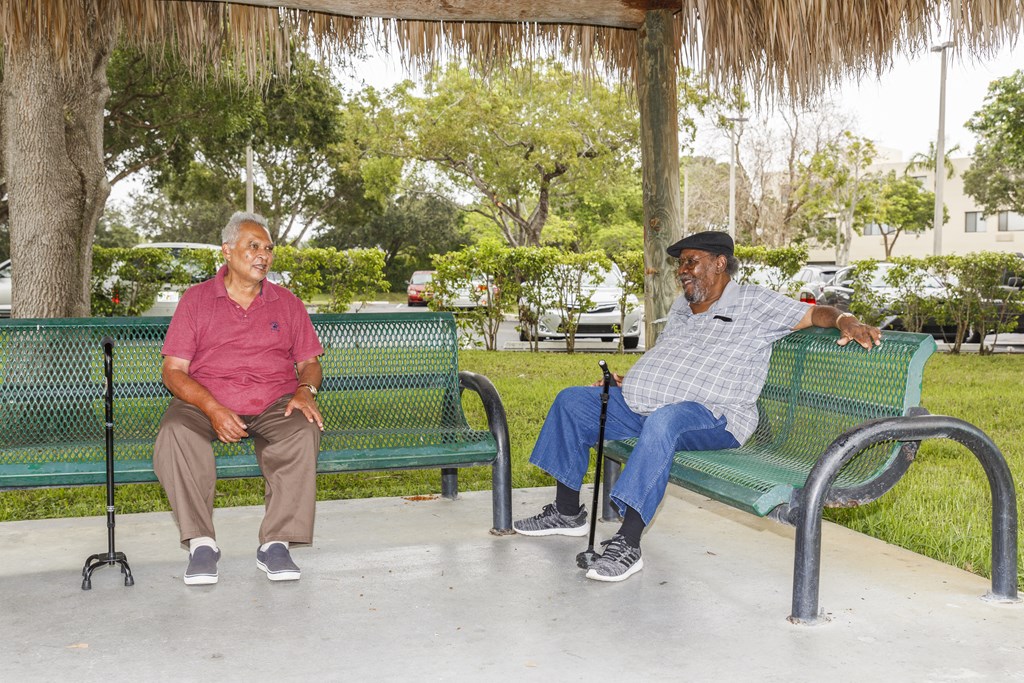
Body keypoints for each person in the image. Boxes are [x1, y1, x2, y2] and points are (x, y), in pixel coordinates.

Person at [513, 231, 882, 582]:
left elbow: (815, 314)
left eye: (691, 262)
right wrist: (633, 381)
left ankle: (627, 543)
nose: (683, 271)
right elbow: (671, 357)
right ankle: (565, 511)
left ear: (720, 263)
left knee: (666, 421)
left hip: (715, 416)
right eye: (680, 265)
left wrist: (845, 320)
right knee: (573, 401)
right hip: (649, 407)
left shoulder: (753, 302)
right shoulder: (683, 307)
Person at [153, 212, 325, 586]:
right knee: (175, 431)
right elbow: (173, 370)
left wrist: (304, 391)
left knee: (303, 428)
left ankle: (276, 543)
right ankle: (201, 544)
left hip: (273, 402)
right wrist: (212, 407)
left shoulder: (287, 303)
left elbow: (309, 363)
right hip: (205, 400)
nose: (263, 255)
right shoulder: (196, 300)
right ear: (227, 252)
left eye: (268, 248)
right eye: (253, 246)